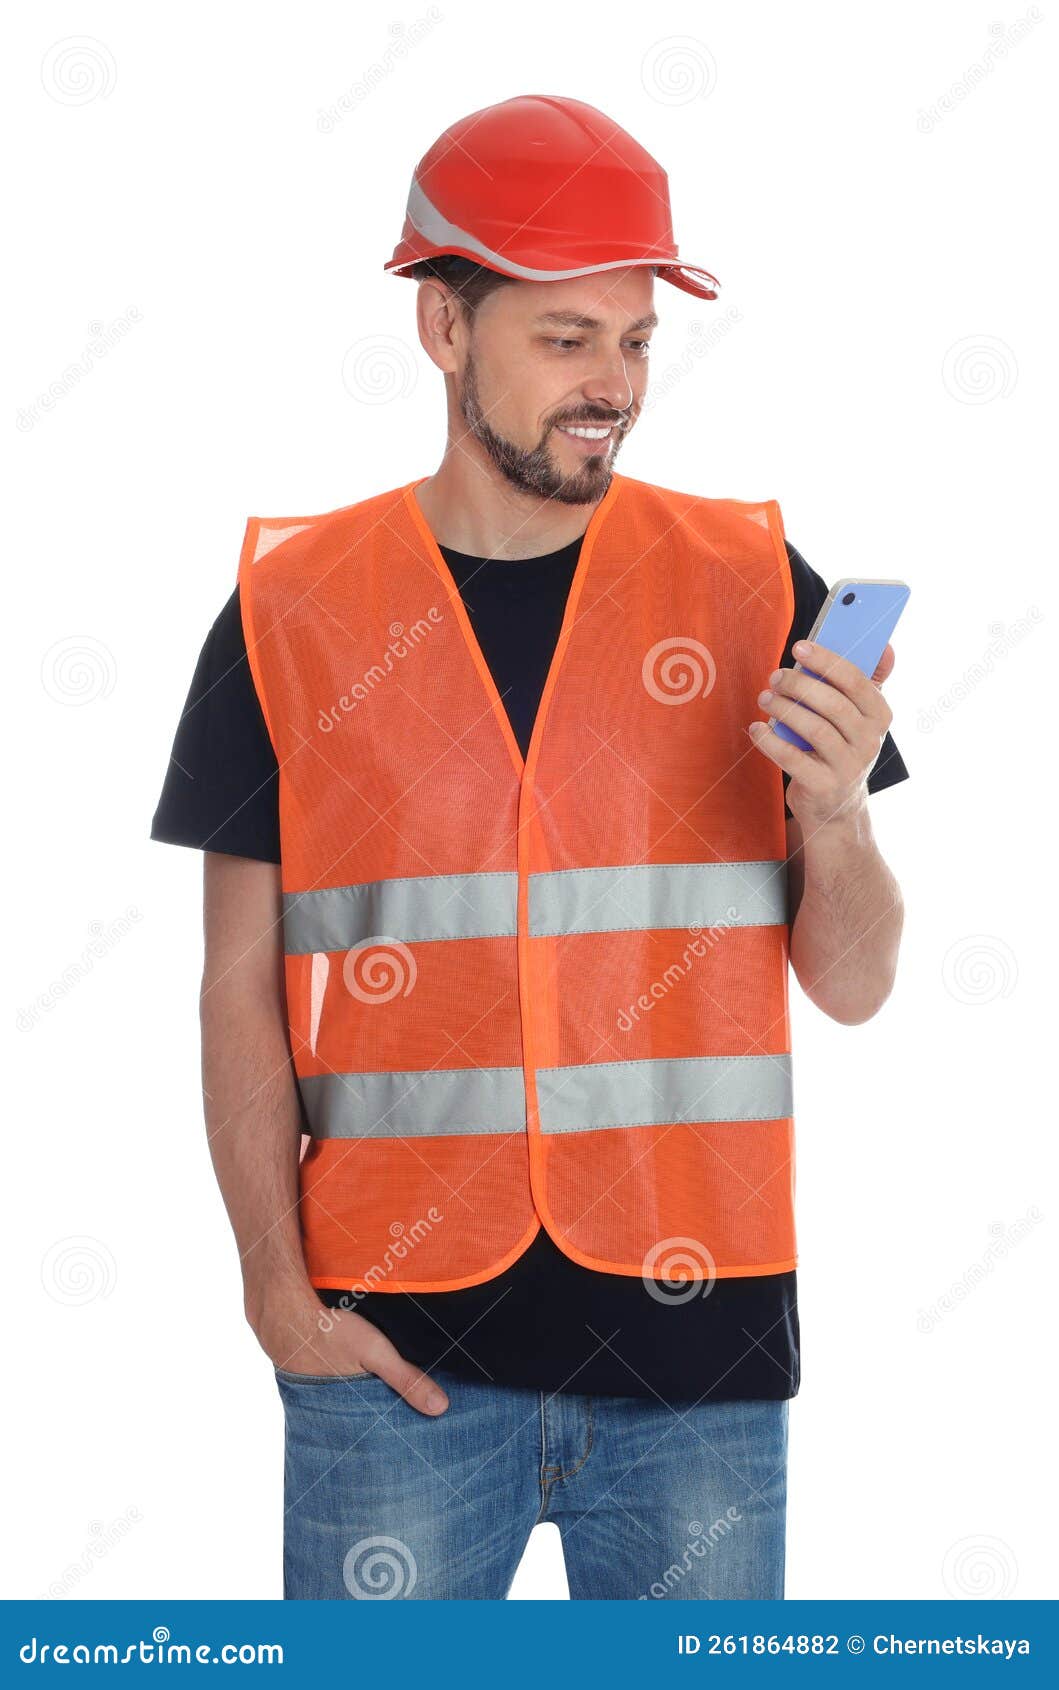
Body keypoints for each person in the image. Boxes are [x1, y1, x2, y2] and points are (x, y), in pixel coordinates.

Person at [151, 95, 908, 1601]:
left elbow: (856, 985)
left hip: (699, 1357)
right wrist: (274, 1292)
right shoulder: (291, 613)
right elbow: (238, 987)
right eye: (566, 340)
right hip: (392, 1357)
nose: (610, 386)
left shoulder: (752, 584)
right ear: (445, 327)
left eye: (634, 342)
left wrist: (834, 814)